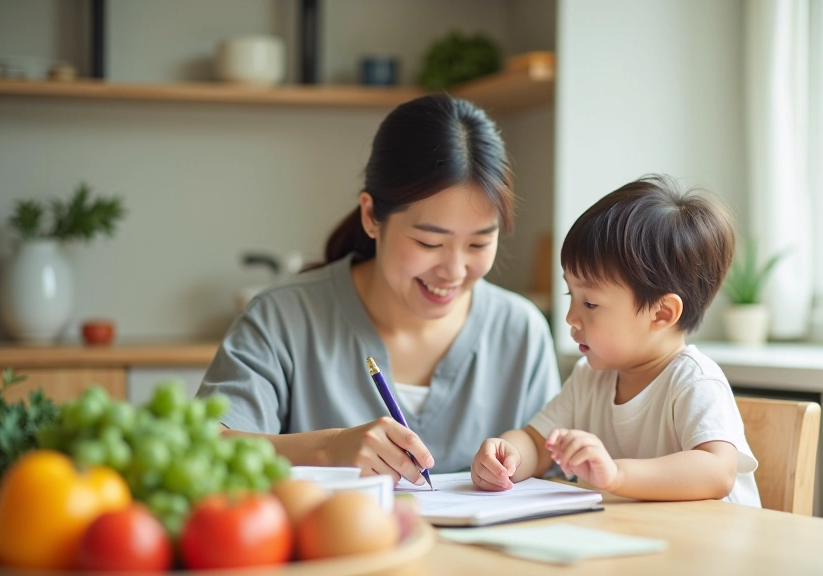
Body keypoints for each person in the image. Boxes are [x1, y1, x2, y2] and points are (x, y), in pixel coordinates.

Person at [197, 94, 560, 487]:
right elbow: (201, 449)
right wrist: (326, 450)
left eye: (478, 244)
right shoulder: (281, 318)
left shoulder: (521, 330)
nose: (454, 271)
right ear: (372, 216)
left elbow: (555, 471)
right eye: (429, 243)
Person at [469, 176, 761, 505]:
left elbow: (716, 472)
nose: (570, 317)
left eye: (590, 303)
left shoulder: (694, 381)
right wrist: (508, 455)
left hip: (709, 547)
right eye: (571, 294)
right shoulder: (588, 378)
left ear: (662, 314)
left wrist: (616, 475)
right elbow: (537, 444)